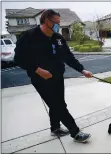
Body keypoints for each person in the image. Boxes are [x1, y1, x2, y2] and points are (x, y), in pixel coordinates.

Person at [14, 9, 93, 143]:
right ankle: (75, 132)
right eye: (55, 22)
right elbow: (19, 58)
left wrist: (82, 70)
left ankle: (55, 128)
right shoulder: (29, 36)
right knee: (58, 106)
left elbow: (68, 57)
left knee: (58, 104)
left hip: (57, 77)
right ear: (46, 20)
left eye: (59, 22)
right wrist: (37, 70)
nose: (58, 25)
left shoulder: (58, 38)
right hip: (40, 79)